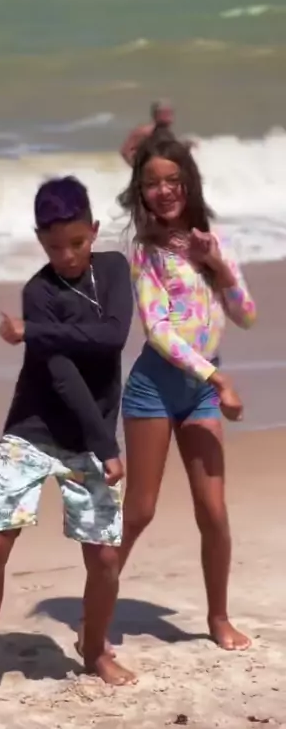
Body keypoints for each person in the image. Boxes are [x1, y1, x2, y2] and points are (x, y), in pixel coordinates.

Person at [0, 175, 134, 702]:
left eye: (76, 242)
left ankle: (93, 649)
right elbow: (62, 376)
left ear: (94, 230)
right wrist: (108, 445)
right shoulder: (38, 292)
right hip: (33, 428)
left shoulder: (113, 270)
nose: (67, 256)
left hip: (93, 433)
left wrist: (35, 331)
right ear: (38, 240)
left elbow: (114, 336)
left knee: (104, 557)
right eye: (53, 247)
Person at [113, 138, 256, 656]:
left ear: (188, 182)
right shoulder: (146, 252)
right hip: (153, 389)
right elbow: (158, 332)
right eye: (152, 183)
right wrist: (217, 379)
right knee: (139, 511)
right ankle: (96, 604)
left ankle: (218, 617)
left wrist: (217, 264)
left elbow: (246, 315)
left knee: (213, 511)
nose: (164, 190)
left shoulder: (212, 241)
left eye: (173, 180)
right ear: (141, 192)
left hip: (200, 394)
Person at [120, 100, 175, 167]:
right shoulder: (144, 132)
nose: (169, 117)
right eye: (165, 113)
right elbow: (125, 152)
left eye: (170, 113)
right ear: (156, 115)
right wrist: (138, 168)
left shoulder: (169, 134)